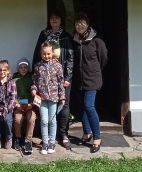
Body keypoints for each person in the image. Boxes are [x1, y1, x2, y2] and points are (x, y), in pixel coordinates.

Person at [34, 11, 76, 149]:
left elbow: (70, 58)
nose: (54, 20)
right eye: (52, 18)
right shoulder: (44, 34)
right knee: (45, 106)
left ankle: (63, 134)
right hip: (46, 79)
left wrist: (68, 77)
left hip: (62, 78)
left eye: (56, 18)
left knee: (63, 106)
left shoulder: (66, 36)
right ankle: (46, 137)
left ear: (61, 20)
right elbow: (36, 54)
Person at [74, 13, 108, 153]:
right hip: (79, 79)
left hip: (92, 79)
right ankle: (87, 132)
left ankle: (97, 137)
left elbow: (103, 59)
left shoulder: (96, 41)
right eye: (77, 23)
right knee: (81, 107)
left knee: (89, 106)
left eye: (82, 23)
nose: (79, 25)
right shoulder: (75, 40)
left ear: (88, 24)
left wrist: (95, 71)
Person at [32, 43, 65, 155]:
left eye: (48, 53)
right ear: (41, 54)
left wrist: (62, 97)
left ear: (52, 53)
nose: (46, 56)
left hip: (54, 98)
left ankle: (52, 142)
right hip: (42, 98)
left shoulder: (57, 66)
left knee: (52, 120)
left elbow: (61, 83)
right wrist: (33, 90)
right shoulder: (38, 66)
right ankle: (45, 143)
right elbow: (34, 82)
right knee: (44, 121)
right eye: (44, 54)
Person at [12, 59, 36, 156]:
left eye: (25, 67)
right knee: (17, 119)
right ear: (18, 68)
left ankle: (28, 140)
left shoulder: (32, 77)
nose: (23, 69)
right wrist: (16, 104)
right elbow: (11, 94)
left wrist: (32, 104)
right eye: (21, 67)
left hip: (30, 105)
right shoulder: (14, 78)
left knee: (31, 118)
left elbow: (36, 91)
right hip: (18, 105)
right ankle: (18, 138)